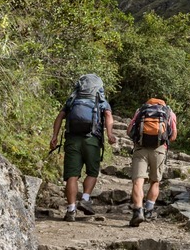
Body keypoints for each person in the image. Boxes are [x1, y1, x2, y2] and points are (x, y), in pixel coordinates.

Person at [49, 74, 118, 222]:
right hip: (92, 140)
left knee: (72, 176)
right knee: (92, 172)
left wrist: (54, 137)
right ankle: (85, 198)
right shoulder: (101, 100)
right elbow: (108, 115)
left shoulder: (73, 99)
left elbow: (59, 117)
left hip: (72, 140)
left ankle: (71, 209)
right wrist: (110, 135)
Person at [126, 97, 177, 227]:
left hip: (140, 148)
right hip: (159, 150)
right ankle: (148, 210)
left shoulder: (141, 110)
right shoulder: (169, 112)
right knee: (155, 181)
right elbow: (173, 136)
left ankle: (138, 211)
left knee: (138, 181)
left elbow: (129, 130)